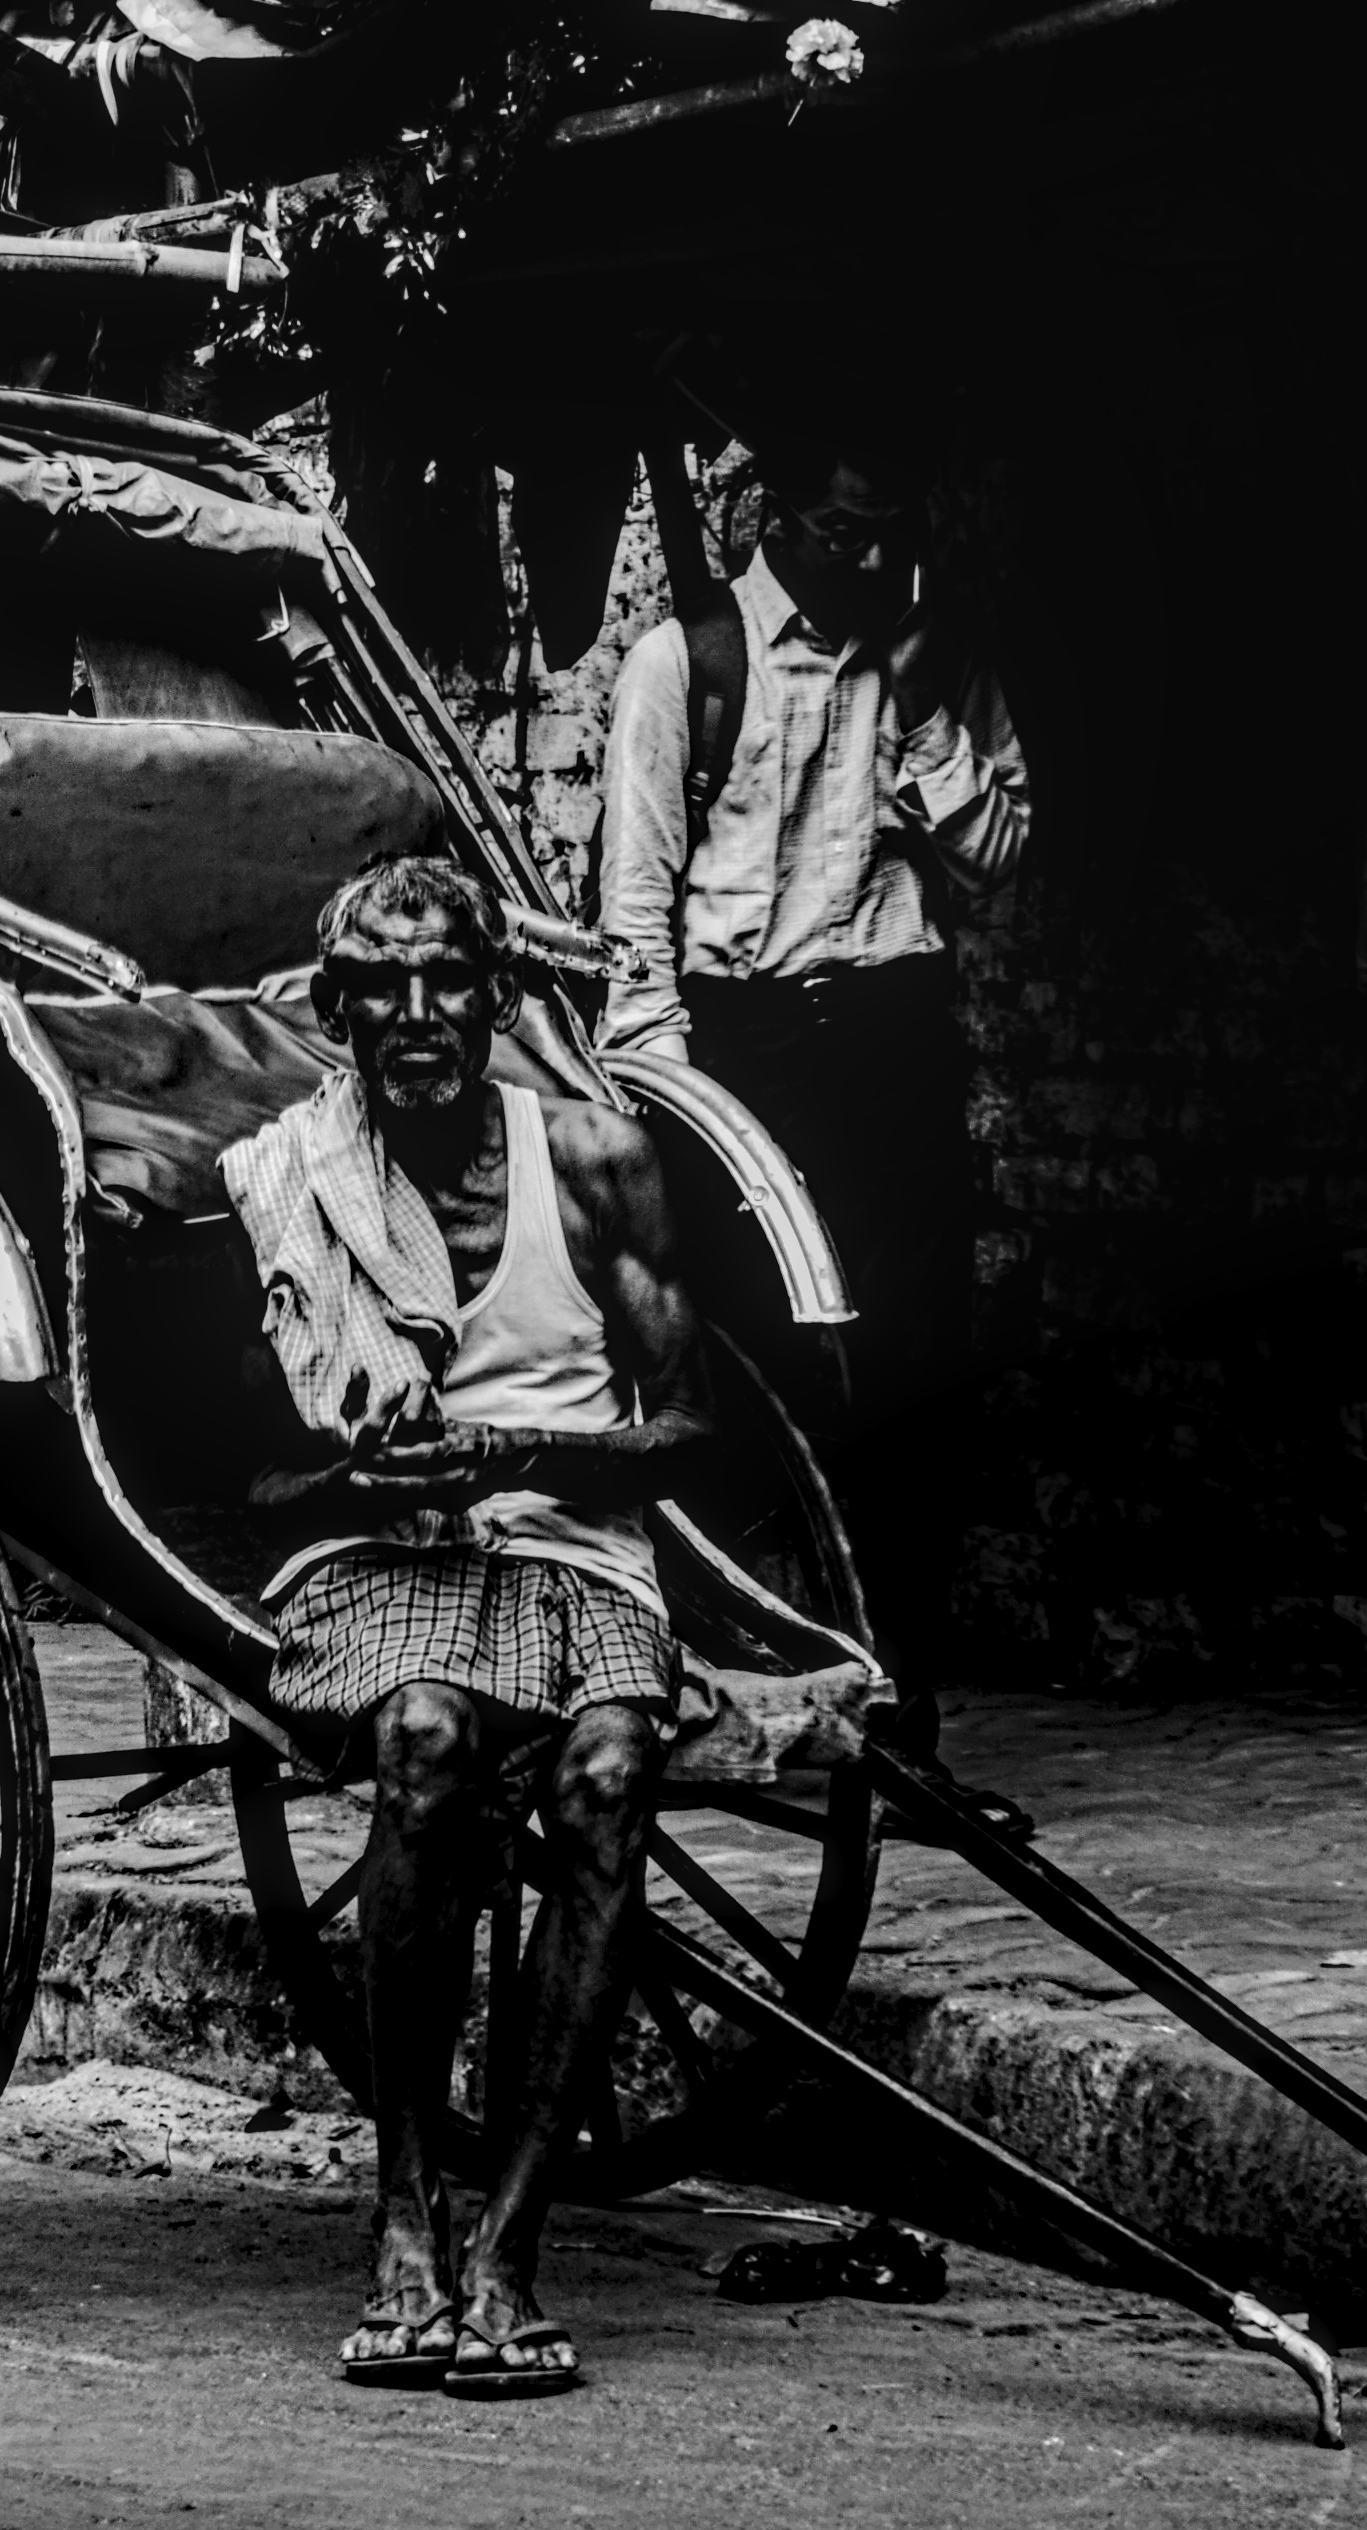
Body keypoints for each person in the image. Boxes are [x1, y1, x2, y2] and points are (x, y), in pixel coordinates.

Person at [226, 859, 713, 2401]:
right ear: (336, 1014)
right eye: (383, 990)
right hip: (387, 1559)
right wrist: (360, 1465)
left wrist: (523, 1457)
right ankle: (398, 2220)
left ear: (496, 1001)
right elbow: (241, 1473)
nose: (419, 1018)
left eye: (449, 986)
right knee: (422, 1739)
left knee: (610, 1770)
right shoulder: (300, 1175)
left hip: (578, 1551)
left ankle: (507, 2242)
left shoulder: (593, 1158)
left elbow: (694, 1430)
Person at [596, 431, 1026, 1803]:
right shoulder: (686, 665)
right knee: (742, 1381)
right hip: (743, 1050)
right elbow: (632, 912)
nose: (867, 560)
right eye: (843, 532)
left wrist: (911, 711)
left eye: (889, 532)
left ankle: (900, 1711)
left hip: (890, 1035)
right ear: (773, 515)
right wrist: (677, 1096)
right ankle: (721, 1678)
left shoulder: (924, 661)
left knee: (917, 1377)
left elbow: (999, 853)